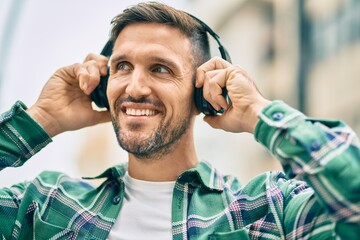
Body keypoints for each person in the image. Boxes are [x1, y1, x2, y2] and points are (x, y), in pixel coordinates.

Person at [0, 2, 359, 239]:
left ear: (202, 92)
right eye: (122, 66)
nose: (135, 87)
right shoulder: (42, 204)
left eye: (160, 69)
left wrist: (257, 113)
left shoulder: (268, 209)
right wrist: (39, 120)